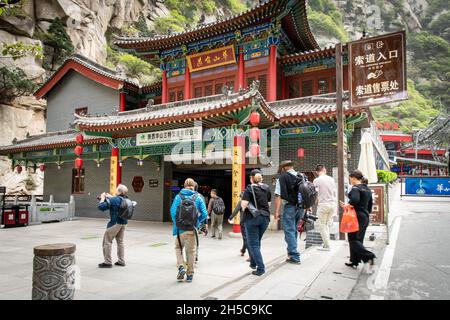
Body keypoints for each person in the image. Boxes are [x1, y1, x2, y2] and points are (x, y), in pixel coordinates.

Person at [170, 178, 208, 282]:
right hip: (192, 229)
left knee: (178, 247)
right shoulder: (198, 198)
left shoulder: (178, 197)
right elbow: (205, 214)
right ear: (194, 186)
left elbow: (172, 211)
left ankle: (181, 266)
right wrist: (197, 222)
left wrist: (177, 223)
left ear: (184, 185)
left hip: (179, 229)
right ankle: (190, 275)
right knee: (191, 252)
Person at [339, 170, 376, 269]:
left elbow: (355, 200)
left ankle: (369, 256)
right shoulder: (367, 189)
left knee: (353, 239)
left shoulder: (355, 188)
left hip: (356, 217)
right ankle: (354, 261)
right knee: (359, 239)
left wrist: (347, 205)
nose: (350, 180)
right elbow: (370, 206)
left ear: (353, 178)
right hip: (365, 216)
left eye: (350, 178)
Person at [241, 169, 271, 276]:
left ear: (251, 178)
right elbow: (268, 204)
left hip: (252, 218)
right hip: (265, 218)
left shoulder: (249, 188)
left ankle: (261, 268)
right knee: (256, 242)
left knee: (253, 244)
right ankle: (253, 263)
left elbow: (244, 205)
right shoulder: (267, 188)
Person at [274, 160, 304, 264]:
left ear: (284, 167)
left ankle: (294, 256)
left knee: (289, 230)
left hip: (289, 206)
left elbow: (278, 196)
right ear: (291, 166)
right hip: (301, 207)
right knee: (294, 229)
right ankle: (291, 253)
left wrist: (277, 211)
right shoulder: (301, 176)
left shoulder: (281, 177)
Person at [97, 184, 129, 268]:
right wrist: (110, 197)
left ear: (119, 191)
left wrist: (102, 198)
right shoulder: (126, 199)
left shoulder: (114, 200)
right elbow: (117, 202)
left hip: (114, 223)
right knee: (120, 242)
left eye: (116, 189)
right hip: (123, 223)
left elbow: (101, 207)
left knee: (107, 242)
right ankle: (121, 261)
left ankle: (107, 262)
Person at [313, 164, 337, 251]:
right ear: (324, 170)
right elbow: (334, 192)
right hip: (332, 204)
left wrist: (313, 203)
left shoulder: (316, 180)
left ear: (317, 172)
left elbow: (315, 194)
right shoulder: (331, 179)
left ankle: (327, 246)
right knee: (326, 224)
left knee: (321, 225)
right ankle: (327, 243)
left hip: (323, 205)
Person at [228, 191, 247, 257]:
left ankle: (245, 251)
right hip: (251, 222)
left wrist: (230, 218)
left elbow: (235, 211)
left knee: (245, 238)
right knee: (249, 237)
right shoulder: (251, 202)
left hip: (244, 222)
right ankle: (243, 250)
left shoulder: (241, 202)